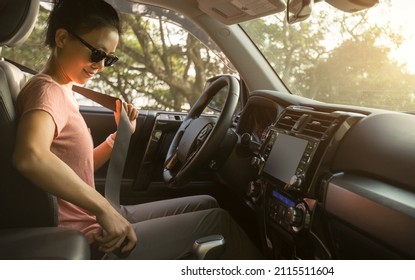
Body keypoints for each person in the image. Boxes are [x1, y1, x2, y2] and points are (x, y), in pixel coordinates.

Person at [13, 0, 261, 259]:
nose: (100, 66)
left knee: (208, 203)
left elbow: (77, 167)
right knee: (218, 222)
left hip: (90, 218)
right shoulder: (47, 91)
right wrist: (103, 209)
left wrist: (118, 139)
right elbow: (30, 156)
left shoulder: (63, 90)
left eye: (109, 59)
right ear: (62, 38)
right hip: (86, 235)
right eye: (97, 53)